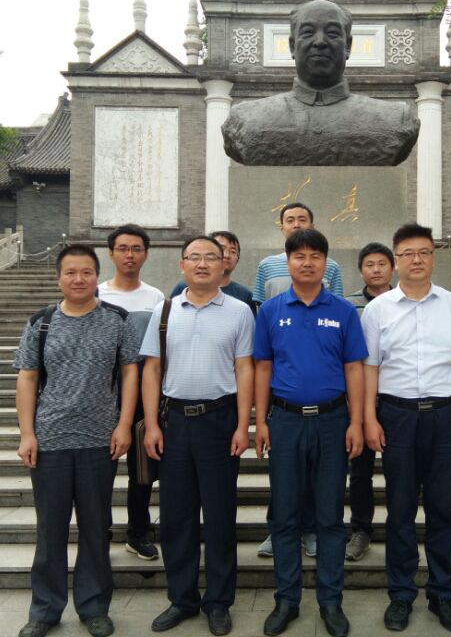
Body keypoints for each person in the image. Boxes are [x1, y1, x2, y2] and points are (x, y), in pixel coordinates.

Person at [361, 224, 451, 634]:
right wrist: (368, 417)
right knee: (399, 508)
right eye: (408, 253)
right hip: (396, 415)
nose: (417, 260)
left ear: (433, 257)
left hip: (445, 415)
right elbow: (369, 367)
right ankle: (401, 595)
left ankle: (442, 594)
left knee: (442, 507)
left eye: (424, 252)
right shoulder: (378, 310)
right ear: (396, 260)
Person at [13, 245, 141, 637]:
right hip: (50, 438)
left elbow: (130, 374)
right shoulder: (41, 322)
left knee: (95, 527)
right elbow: (27, 378)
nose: (79, 279)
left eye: (86, 272)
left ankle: (94, 606)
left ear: (97, 277)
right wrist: (27, 433)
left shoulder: (118, 320)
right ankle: (45, 609)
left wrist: (123, 425)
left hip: (99, 440)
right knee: (50, 529)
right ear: (59, 278)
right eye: (70, 272)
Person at [253, 229, 367, 637]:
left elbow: (354, 368)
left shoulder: (343, 311)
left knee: (330, 516)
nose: (307, 262)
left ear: (325, 263)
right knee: (284, 515)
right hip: (285, 422)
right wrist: (260, 421)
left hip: (332, 422)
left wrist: (356, 422)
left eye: (315, 255)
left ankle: (330, 601)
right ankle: (286, 600)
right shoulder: (270, 311)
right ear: (287, 262)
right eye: (299, 255)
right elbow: (262, 367)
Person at [139, 235, 255, 637]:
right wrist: (152, 424)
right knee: (176, 517)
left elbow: (245, 369)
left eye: (211, 257)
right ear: (182, 265)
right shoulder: (164, 310)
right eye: (194, 257)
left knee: (220, 516)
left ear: (224, 265)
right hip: (174, 423)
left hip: (219, 421)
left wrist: (243, 425)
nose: (202, 264)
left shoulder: (240, 311)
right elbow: (152, 369)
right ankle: (182, 598)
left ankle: (219, 601)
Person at [221, 0, 419, 167]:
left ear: (348, 46)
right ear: (292, 46)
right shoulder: (245, 119)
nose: (320, 42)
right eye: (308, 32)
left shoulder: (395, 119)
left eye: (332, 33)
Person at [253, 201, 341, 559]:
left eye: (302, 219)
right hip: (284, 398)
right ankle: (280, 533)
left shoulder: (332, 275)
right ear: (281, 226)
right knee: (284, 480)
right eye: (290, 219)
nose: (307, 262)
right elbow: (262, 354)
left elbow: (335, 312)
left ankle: (312, 532)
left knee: (322, 482)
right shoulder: (268, 270)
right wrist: (261, 418)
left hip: (328, 407)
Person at [97, 224, 164, 562]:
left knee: (141, 470)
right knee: (99, 469)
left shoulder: (156, 298)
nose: (129, 255)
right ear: (111, 253)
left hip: (140, 394)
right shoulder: (96, 294)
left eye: (136, 249)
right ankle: (98, 533)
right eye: (123, 248)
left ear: (146, 255)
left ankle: (138, 532)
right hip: (100, 394)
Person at [344, 242, 394, 562]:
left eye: (381, 264)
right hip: (358, 399)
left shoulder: (405, 302)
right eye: (369, 265)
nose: (376, 270)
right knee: (359, 470)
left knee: (399, 469)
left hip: (395, 398)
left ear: (392, 267)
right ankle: (361, 529)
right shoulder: (348, 306)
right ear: (361, 271)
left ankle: (399, 528)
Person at [169, 230, 255, 313]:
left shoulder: (245, 295)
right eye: (222, 249)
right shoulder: (183, 288)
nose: (227, 255)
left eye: (233, 251)